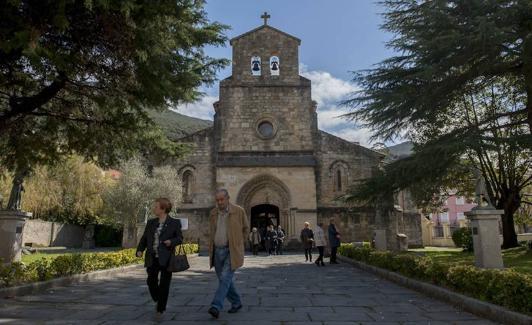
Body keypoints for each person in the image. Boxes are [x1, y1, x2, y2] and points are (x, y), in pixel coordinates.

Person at [136, 198, 183, 319]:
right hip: (152, 257)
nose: (154, 208)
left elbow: (179, 238)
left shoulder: (174, 223)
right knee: (150, 281)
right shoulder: (151, 222)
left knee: (164, 284)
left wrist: (171, 241)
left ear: (163, 209)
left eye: (156, 207)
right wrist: (140, 250)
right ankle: (158, 298)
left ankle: (160, 309)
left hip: (167, 258)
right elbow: (144, 238)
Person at [207, 189, 249, 319]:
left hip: (232, 251)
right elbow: (212, 231)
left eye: (221, 199)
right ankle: (236, 302)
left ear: (228, 198)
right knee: (224, 280)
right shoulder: (213, 213)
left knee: (225, 277)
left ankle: (216, 305)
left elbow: (246, 229)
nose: (219, 202)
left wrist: (238, 243)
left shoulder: (238, 211)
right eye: (217, 200)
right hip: (217, 250)